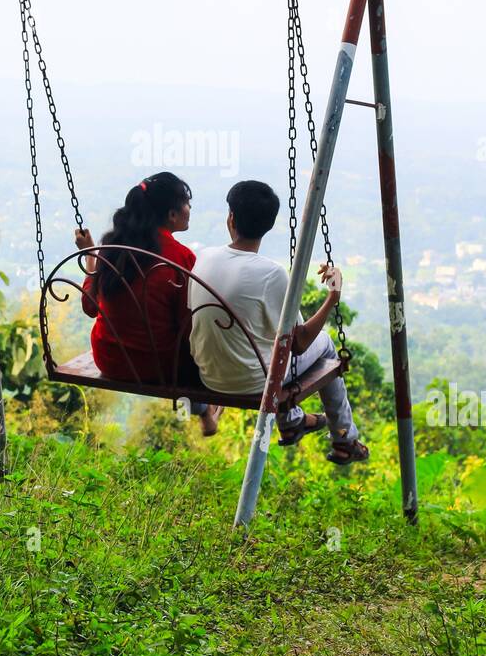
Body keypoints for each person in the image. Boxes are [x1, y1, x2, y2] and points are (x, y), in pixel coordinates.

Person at [188, 179, 369, 461]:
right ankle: (344, 438)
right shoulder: (272, 274)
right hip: (255, 382)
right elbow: (299, 343)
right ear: (269, 225)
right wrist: (333, 297)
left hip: (208, 375)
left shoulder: (204, 258)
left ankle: (294, 421)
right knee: (325, 345)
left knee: (270, 344)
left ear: (231, 218)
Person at [74, 171, 222, 435]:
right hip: (159, 367)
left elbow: (89, 307)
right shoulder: (181, 258)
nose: (190, 209)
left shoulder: (112, 246)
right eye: (187, 203)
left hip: (110, 359)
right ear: (172, 215)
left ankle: (202, 412)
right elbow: (185, 331)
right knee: (204, 349)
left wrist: (90, 255)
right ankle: (205, 410)